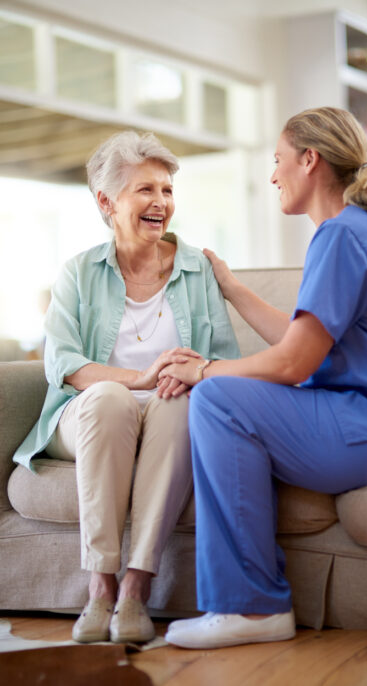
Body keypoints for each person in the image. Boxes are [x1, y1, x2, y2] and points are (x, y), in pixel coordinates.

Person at [157, 106, 367, 649]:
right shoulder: (357, 231)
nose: (273, 175)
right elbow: (302, 340)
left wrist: (206, 370)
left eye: (278, 161)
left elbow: (294, 364)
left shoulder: (342, 236)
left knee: (219, 399)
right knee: (224, 393)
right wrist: (231, 287)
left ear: (310, 160)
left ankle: (251, 608)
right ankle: (250, 603)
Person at [12, 130, 240, 644]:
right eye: (146, 190)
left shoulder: (197, 269)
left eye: (167, 190)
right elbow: (65, 364)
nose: (161, 202)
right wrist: (136, 377)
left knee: (178, 404)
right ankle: (100, 587)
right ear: (107, 201)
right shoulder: (78, 272)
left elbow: (224, 354)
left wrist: (193, 371)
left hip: (166, 409)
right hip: (89, 410)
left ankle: (136, 588)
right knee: (112, 398)